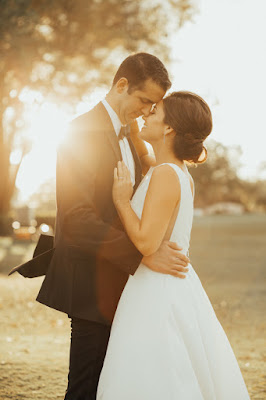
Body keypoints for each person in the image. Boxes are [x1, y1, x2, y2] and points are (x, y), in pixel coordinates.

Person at [35, 53, 190, 400]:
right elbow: (76, 219)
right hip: (91, 282)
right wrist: (143, 253)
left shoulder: (131, 137)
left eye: (155, 105)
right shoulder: (80, 132)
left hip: (124, 285)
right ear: (121, 85)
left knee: (113, 385)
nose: (148, 110)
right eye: (144, 101)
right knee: (86, 385)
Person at [96, 91, 250, 399]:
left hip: (156, 291)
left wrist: (121, 201)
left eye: (154, 113)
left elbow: (146, 241)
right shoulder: (170, 169)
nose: (145, 115)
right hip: (168, 285)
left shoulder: (166, 174)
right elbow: (144, 153)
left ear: (169, 128)